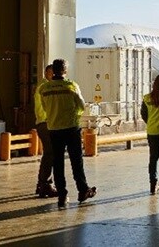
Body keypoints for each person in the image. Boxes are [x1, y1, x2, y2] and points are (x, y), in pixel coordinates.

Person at [36, 58, 97, 208]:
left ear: (53, 70)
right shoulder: (71, 86)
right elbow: (81, 106)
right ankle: (83, 190)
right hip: (71, 128)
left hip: (54, 129)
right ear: (65, 71)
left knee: (58, 163)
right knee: (77, 162)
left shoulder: (45, 89)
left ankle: (62, 195)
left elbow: (44, 108)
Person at [32, 64, 58, 198]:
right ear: (46, 73)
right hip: (45, 123)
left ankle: (42, 184)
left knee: (48, 154)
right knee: (50, 154)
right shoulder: (44, 87)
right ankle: (45, 184)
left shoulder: (45, 86)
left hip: (46, 123)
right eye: (51, 73)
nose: (53, 76)